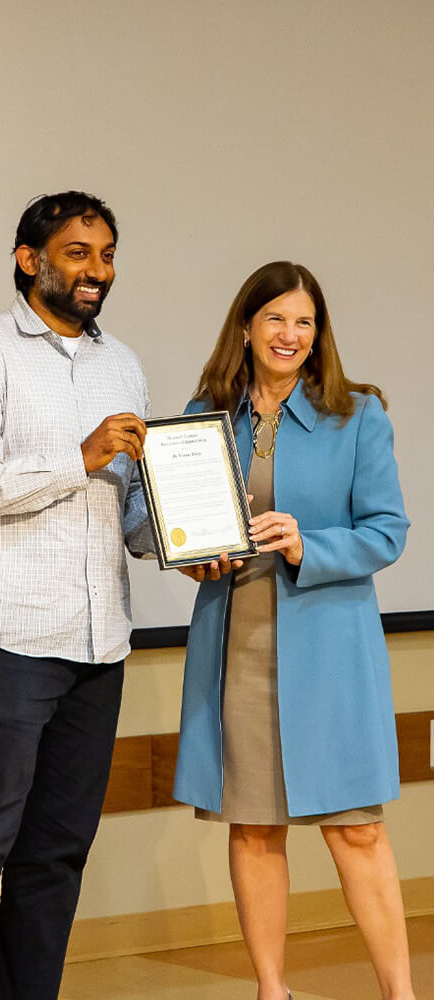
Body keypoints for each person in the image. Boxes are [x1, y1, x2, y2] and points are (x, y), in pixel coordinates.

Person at [0, 191, 151, 1000]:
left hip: (99, 644)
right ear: (30, 260)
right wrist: (77, 458)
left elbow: (123, 506)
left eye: (108, 254)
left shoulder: (123, 365)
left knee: (55, 855)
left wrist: (185, 543)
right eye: (79, 252)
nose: (97, 271)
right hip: (8, 639)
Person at [173, 261, 414, 1000]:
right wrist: (188, 555)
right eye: (276, 318)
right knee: (252, 828)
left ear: (319, 333)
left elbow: (388, 531)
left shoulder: (358, 415)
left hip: (331, 655)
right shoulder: (203, 413)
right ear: (246, 326)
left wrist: (309, 542)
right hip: (238, 647)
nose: (290, 334)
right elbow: (150, 520)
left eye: (304, 321)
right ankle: (270, 990)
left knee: (358, 831)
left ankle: (400, 994)